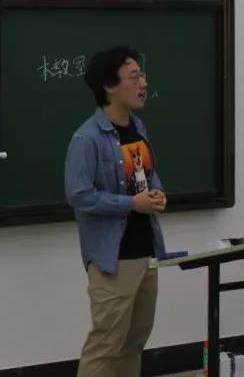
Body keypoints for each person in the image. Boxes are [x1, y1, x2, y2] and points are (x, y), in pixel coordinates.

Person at [65, 46, 168, 377]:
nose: (143, 84)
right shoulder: (87, 138)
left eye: (143, 76)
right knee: (106, 344)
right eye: (134, 77)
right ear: (110, 86)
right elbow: (79, 195)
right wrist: (132, 204)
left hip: (146, 251)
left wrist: (156, 193)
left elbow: (146, 176)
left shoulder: (137, 128)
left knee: (134, 341)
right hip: (113, 259)